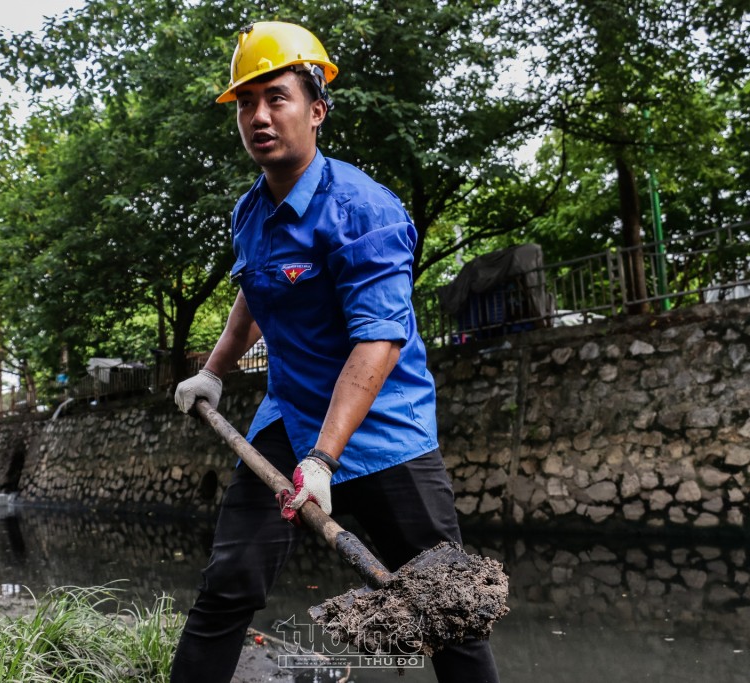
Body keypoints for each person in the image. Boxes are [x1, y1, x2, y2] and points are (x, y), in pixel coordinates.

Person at [170, 21, 499, 683]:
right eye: (245, 103)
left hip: (384, 434)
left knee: (447, 610)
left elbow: (379, 339)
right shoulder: (250, 213)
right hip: (288, 424)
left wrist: (326, 457)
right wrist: (212, 371)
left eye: (276, 98)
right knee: (227, 585)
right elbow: (255, 294)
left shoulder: (363, 209)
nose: (258, 116)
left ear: (316, 110)